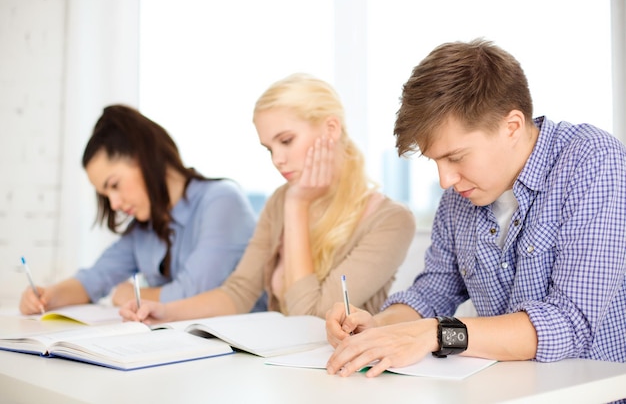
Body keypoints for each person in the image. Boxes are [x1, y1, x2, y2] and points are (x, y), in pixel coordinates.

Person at [325, 38, 626, 378]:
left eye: (455, 157)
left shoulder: (593, 161)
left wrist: (436, 334)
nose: (444, 180)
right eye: (435, 161)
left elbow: (569, 323)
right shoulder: (461, 194)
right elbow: (433, 292)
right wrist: (379, 329)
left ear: (511, 126)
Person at [119, 73, 416, 324]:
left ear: (331, 128)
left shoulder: (390, 220)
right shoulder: (280, 201)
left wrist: (298, 206)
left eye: (286, 141)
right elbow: (238, 292)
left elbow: (309, 319)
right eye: (269, 148)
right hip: (281, 370)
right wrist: (166, 312)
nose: (277, 159)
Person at [19, 104, 258, 314]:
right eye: (106, 195)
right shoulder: (144, 228)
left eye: (115, 185)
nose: (114, 204)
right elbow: (96, 277)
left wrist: (132, 295)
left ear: (143, 158)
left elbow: (194, 294)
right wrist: (48, 296)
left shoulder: (222, 201)